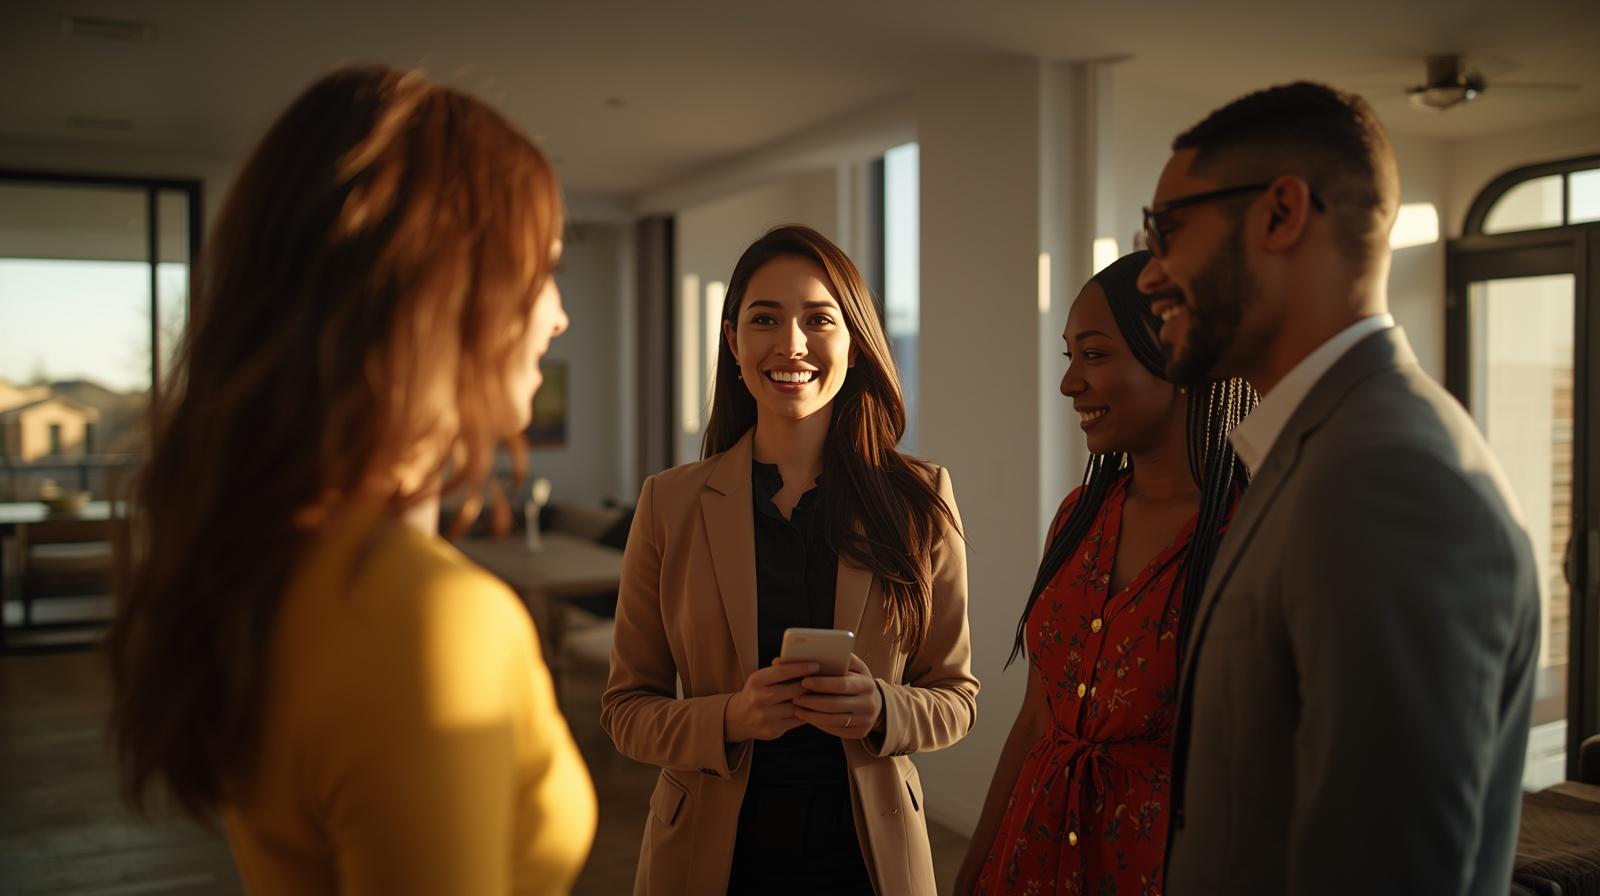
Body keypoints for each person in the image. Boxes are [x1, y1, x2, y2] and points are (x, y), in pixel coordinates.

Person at [107, 65, 595, 894]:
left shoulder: (273, 561)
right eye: (540, 269)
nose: (558, 312)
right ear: (441, 288)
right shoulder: (426, 619)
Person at [1136, 81, 1540, 895]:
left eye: (1167, 231)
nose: (1150, 275)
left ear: (1282, 214)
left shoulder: (1390, 480)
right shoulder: (1314, 453)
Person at [601, 224, 977, 895]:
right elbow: (627, 710)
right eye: (765, 319)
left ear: (856, 343)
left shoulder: (920, 499)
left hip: (868, 860)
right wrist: (729, 719)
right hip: (711, 860)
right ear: (733, 342)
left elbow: (955, 697)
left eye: (818, 319)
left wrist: (883, 709)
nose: (792, 344)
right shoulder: (670, 503)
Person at [953, 252, 1255, 895]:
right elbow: (1038, 718)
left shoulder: (1250, 538)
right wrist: (972, 871)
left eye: (1093, 355)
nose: (1069, 384)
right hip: (1028, 859)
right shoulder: (1079, 516)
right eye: (1070, 357)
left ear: (1176, 357)